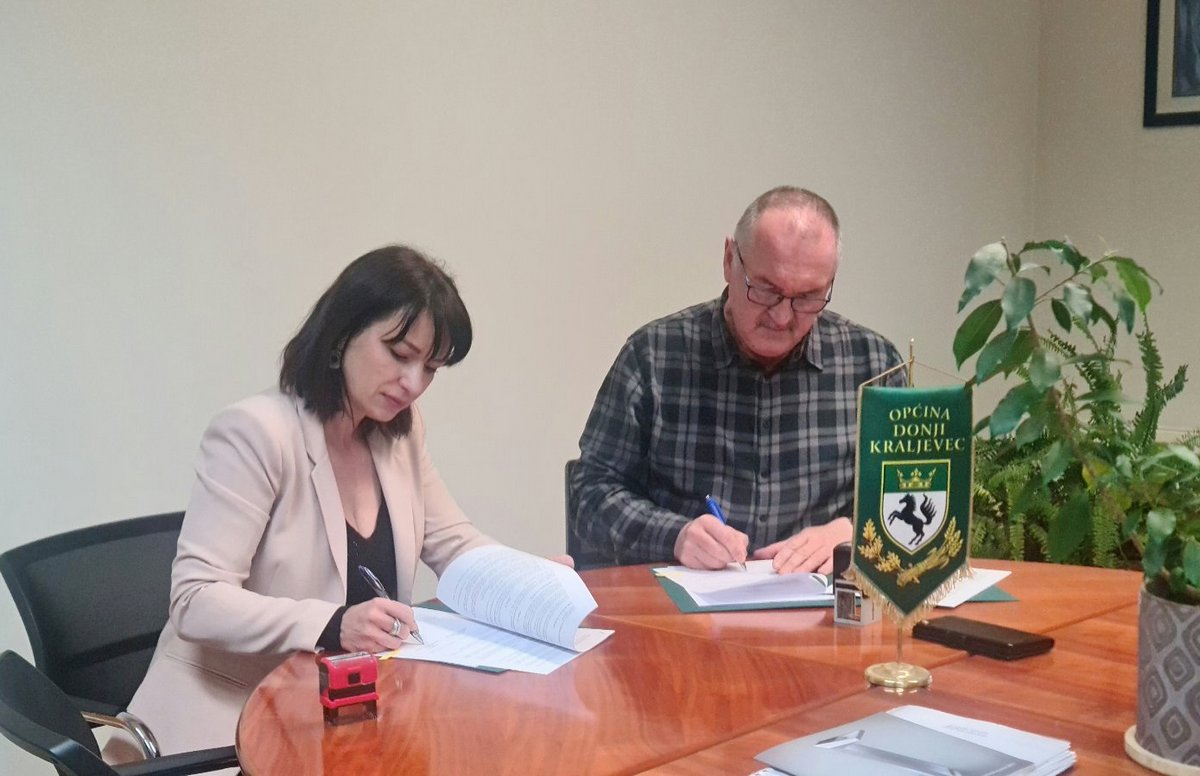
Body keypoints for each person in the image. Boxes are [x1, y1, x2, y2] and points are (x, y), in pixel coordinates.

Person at [111, 245, 508, 760]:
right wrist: (333, 622)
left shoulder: (398, 435)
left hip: (345, 721)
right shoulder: (256, 432)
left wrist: (528, 582)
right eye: (399, 354)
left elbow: (454, 542)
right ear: (342, 336)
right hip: (231, 726)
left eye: (430, 367)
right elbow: (196, 599)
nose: (414, 384)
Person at [569, 186, 904, 575]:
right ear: (730, 260)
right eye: (766, 290)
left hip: (824, 602)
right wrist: (674, 535)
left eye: (808, 297)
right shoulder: (654, 356)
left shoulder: (873, 365)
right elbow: (591, 492)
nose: (782, 316)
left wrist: (854, 531)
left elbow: (914, 493)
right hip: (680, 601)